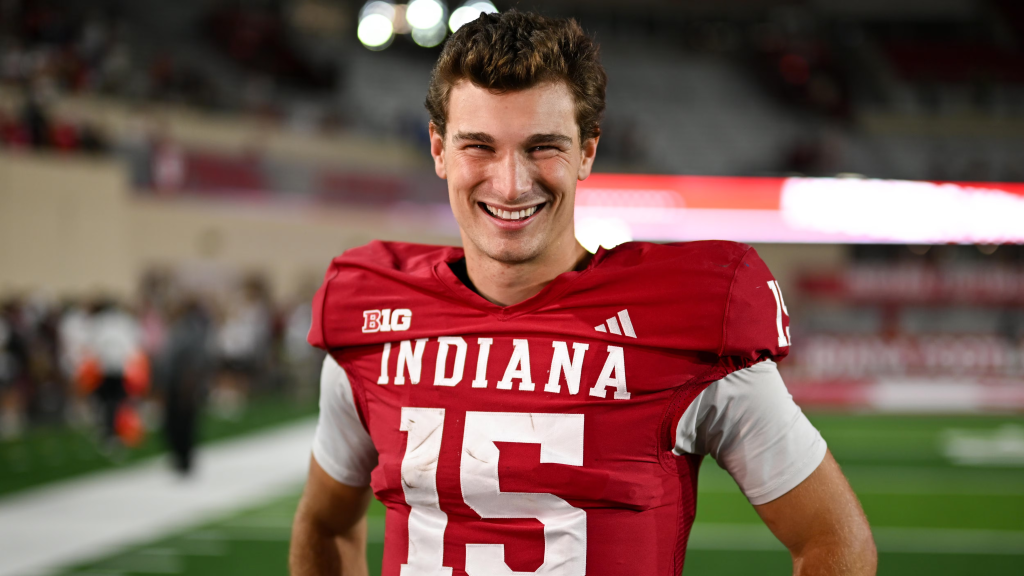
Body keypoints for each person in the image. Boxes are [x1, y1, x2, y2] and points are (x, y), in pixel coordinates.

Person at [290, 10, 875, 576]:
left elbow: (834, 540)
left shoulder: (683, 322)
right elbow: (325, 526)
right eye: (479, 146)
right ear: (439, 150)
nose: (510, 184)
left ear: (587, 151)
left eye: (542, 146)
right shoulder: (375, 318)